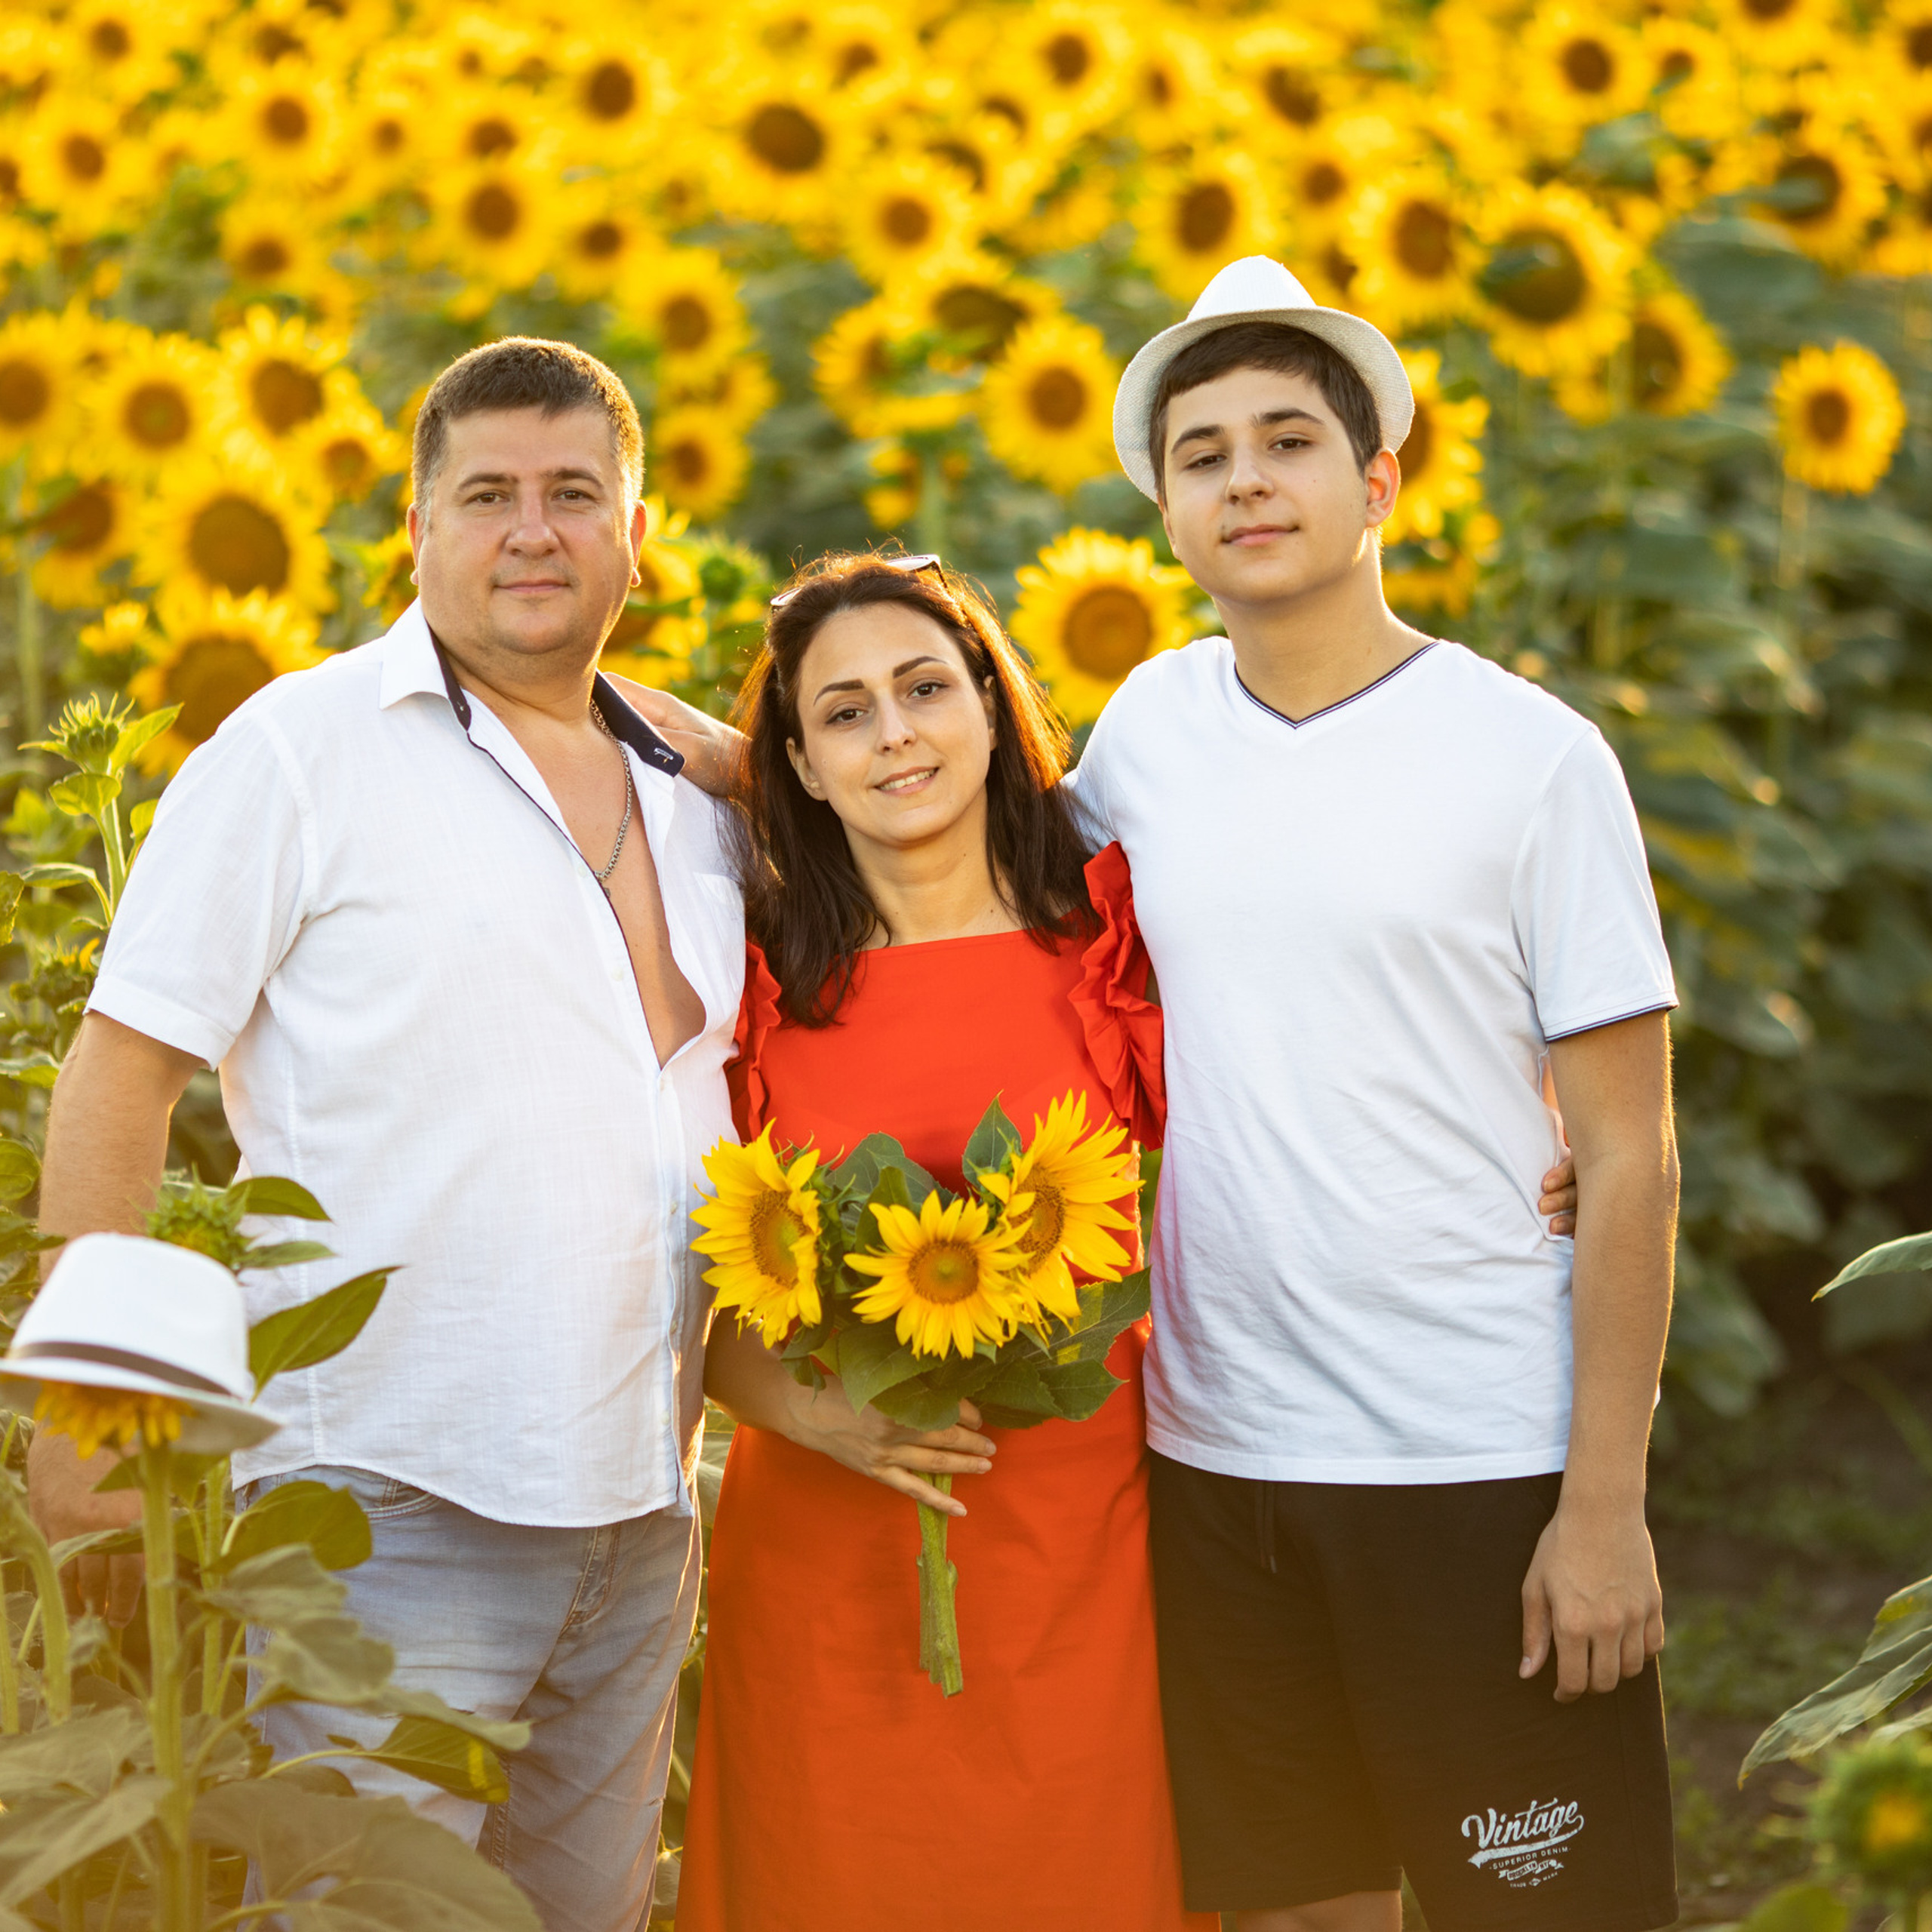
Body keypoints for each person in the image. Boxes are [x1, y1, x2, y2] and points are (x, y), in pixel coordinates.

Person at [669, 552, 1583, 1931]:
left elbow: (1326, 1027)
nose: (896, 734)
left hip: (1083, 1532)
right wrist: (819, 1414)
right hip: (830, 1535)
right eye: (844, 712)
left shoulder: (1111, 945)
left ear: (995, 708)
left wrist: (1542, 1129)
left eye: (926, 688)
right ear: (791, 759)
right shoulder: (753, 982)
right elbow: (700, 1302)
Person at [29, 337, 743, 1932]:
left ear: (638, 531)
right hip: (388, 1498)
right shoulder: (302, 748)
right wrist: (89, 1397)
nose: (531, 531)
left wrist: (757, 757)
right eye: (485, 494)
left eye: (575, 493)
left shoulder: (697, 793)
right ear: (415, 530)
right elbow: (126, 1062)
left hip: (639, 1507)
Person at [1077, 256, 1682, 1932]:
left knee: (1544, 1911)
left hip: (1473, 1463)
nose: (1245, 479)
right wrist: (666, 732)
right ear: (1166, 508)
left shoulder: (1531, 759)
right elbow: (935, 839)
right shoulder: (1141, 732)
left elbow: (1627, 1153)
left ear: (1379, 479)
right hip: (1215, 1461)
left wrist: (1602, 1505)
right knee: (1288, 1911)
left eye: (1285, 440)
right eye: (1201, 455)